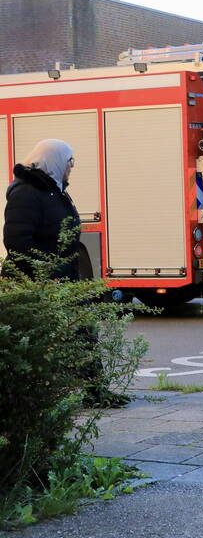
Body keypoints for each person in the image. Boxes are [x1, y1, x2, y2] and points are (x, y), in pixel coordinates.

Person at [2, 138, 129, 407]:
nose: (71, 167)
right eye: (69, 161)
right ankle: (34, 401)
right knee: (54, 338)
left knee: (82, 332)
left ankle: (95, 392)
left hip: (63, 277)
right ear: (54, 160)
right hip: (41, 281)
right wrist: (47, 273)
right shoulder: (26, 192)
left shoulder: (53, 189)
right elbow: (16, 241)